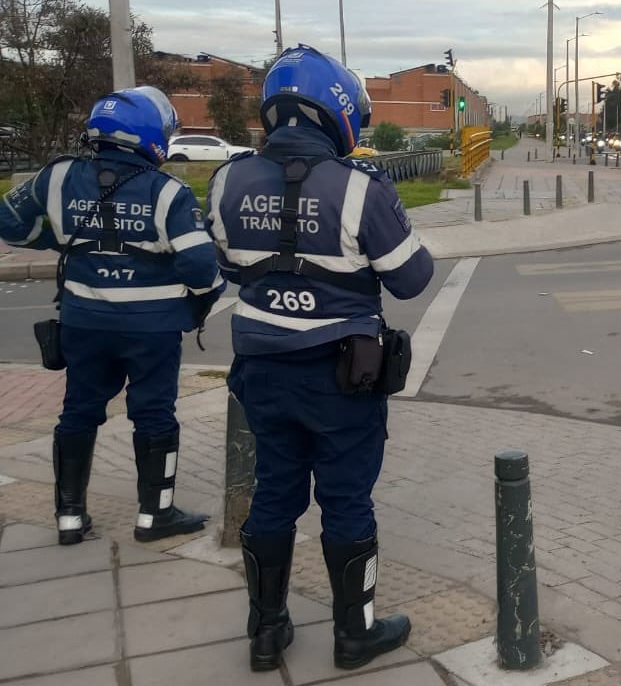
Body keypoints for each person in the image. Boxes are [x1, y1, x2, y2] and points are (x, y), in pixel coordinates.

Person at [206, 44, 435, 673]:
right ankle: (354, 634)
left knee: (274, 493)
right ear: (338, 112)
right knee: (346, 499)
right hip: (343, 376)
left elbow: (228, 267)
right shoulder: (360, 188)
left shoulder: (227, 180)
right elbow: (413, 279)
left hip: (262, 372)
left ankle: (266, 630)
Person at [0, 87, 223, 546]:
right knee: (154, 414)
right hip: (152, 328)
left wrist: (61, 240)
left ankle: (68, 516)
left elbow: (9, 222)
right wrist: (202, 299)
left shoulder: (57, 177)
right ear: (151, 135)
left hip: (83, 319)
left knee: (78, 411)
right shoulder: (169, 192)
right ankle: (155, 514)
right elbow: (201, 268)